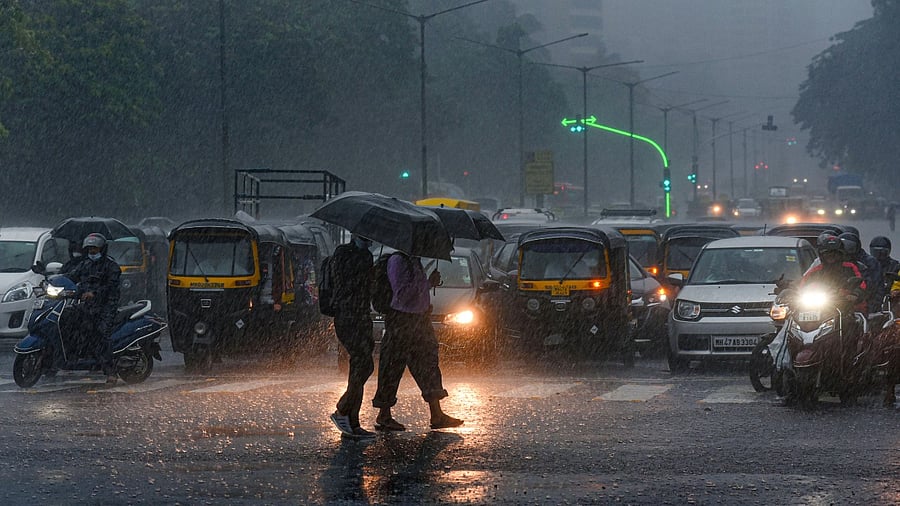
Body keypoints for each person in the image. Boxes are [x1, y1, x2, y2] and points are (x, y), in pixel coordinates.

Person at [372, 251, 463, 431]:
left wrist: (429, 283)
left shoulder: (415, 261)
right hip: (402, 320)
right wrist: (424, 284)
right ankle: (384, 414)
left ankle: (437, 414)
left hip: (420, 320)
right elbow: (402, 293)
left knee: (428, 364)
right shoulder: (398, 261)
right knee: (392, 366)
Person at [326, 234, 377, 440]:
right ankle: (343, 409)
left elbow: (367, 290)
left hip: (362, 315)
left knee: (360, 366)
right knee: (364, 364)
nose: (369, 241)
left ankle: (352, 421)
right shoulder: (343, 253)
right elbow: (346, 284)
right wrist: (367, 274)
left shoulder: (366, 255)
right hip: (347, 316)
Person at [66, 233, 121, 383]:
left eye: (95, 249)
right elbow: (70, 277)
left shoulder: (111, 266)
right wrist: (50, 278)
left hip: (105, 306)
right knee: (68, 321)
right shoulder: (84, 264)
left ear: (102, 249)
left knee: (101, 334)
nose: (92, 251)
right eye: (89, 249)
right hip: (86, 305)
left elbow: (111, 286)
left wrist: (94, 293)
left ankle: (110, 370)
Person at [838, 231, 881, 312]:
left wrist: (857, 294)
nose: (846, 250)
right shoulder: (830, 263)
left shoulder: (865, 263)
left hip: (860, 300)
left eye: (850, 247)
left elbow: (870, 284)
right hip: (836, 301)